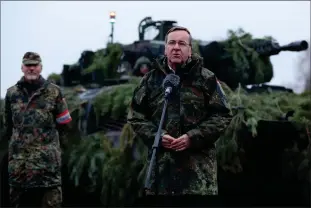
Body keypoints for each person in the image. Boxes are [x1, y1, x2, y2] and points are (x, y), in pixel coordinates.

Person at [127, 26, 232, 196]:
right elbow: (136, 116)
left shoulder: (206, 79)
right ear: (166, 48)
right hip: (160, 174)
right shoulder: (150, 80)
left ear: (189, 50)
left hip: (197, 175)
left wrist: (193, 137)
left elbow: (222, 115)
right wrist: (158, 136)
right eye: (172, 43)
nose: (176, 47)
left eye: (182, 43)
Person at [4, 52, 72, 207]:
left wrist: (54, 151)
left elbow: (65, 124)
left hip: (47, 168)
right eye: (28, 65)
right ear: (22, 67)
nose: (31, 69)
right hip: (19, 168)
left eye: (35, 65)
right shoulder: (12, 94)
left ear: (40, 67)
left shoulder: (54, 92)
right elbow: (8, 126)